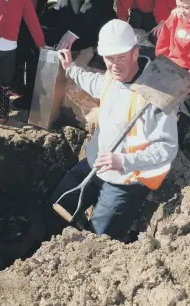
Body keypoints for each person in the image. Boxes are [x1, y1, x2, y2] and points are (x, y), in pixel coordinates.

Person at [49, 19, 178, 242]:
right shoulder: (111, 78)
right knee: (56, 207)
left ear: (135, 53)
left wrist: (124, 161)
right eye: (110, 58)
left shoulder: (155, 96)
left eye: (121, 57)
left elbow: (167, 148)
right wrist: (71, 69)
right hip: (96, 163)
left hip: (127, 179)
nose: (115, 64)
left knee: (98, 239)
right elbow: (94, 83)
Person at [156, 0, 190, 142]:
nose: (182, 11)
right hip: (171, 66)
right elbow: (163, 42)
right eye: (179, 6)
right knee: (153, 93)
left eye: (187, 8)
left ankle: (181, 131)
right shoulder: (175, 17)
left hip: (187, 72)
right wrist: (162, 62)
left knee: (185, 101)